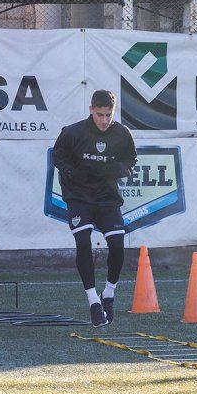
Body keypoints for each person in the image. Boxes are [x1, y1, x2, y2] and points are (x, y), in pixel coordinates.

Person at [52, 90, 137, 327]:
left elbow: (132, 159)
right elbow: (57, 157)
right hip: (79, 196)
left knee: (118, 247)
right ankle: (93, 302)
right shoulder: (73, 132)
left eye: (108, 115)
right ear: (91, 110)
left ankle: (108, 293)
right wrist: (70, 171)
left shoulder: (122, 133)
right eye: (99, 114)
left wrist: (122, 168)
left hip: (107, 196)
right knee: (83, 243)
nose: (104, 120)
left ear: (114, 111)